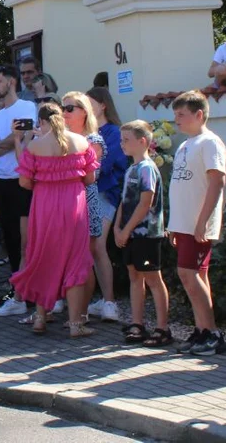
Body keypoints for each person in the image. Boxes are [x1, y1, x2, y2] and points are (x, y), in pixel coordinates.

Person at [10, 103, 99, 338]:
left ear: (41, 122)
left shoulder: (36, 145)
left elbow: (24, 182)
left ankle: (40, 317)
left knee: (43, 256)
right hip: (74, 204)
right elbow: (90, 178)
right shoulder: (80, 142)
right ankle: (75, 324)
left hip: (44, 204)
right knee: (75, 260)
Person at [168, 90, 226, 356]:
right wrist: (174, 224)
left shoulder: (209, 142)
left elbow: (217, 181)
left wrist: (202, 221)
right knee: (197, 275)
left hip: (197, 223)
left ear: (199, 114)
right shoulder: (185, 144)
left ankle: (213, 333)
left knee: (188, 274)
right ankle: (201, 329)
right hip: (183, 223)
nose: (176, 120)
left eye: (181, 114)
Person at [0, 65, 38, 316]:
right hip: (0, 178)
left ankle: (28, 291)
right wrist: (5, 141)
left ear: (11, 82)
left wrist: (2, 142)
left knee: (24, 238)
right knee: (7, 236)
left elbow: (20, 139)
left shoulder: (27, 107)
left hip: (22, 179)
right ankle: (17, 290)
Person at [114, 121, 170, 346]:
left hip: (146, 233)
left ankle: (162, 327)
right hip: (130, 234)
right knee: (134, 276)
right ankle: (137, 324)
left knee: (152, 278)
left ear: (143, 141)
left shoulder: (147, 168)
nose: (122, 144)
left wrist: (126, 230)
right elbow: (124, 202)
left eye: (126, 140)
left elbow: (145, 203)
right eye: (121, 140)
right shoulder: (131, 169)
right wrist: (118, 228)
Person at [61, 93, 113, 321]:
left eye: (70, 108)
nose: (64, 113)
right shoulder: (60, 139)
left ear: (84, 111)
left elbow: (92, 175)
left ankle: (82, 314)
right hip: (64, 203)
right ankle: (73, 311)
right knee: (70, 257)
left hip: (85, 203)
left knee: (85, 257)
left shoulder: (94, 139)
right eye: (62, 108)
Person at [86, 86, 128, 323]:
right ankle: (100, 299)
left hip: (105, 193)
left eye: (90, 102)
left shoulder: (112, 131)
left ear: (103, 105)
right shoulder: (83, 131)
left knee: (98, 245)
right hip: (85, 193)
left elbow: (106, 163)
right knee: (90, 247)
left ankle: (110, 302)